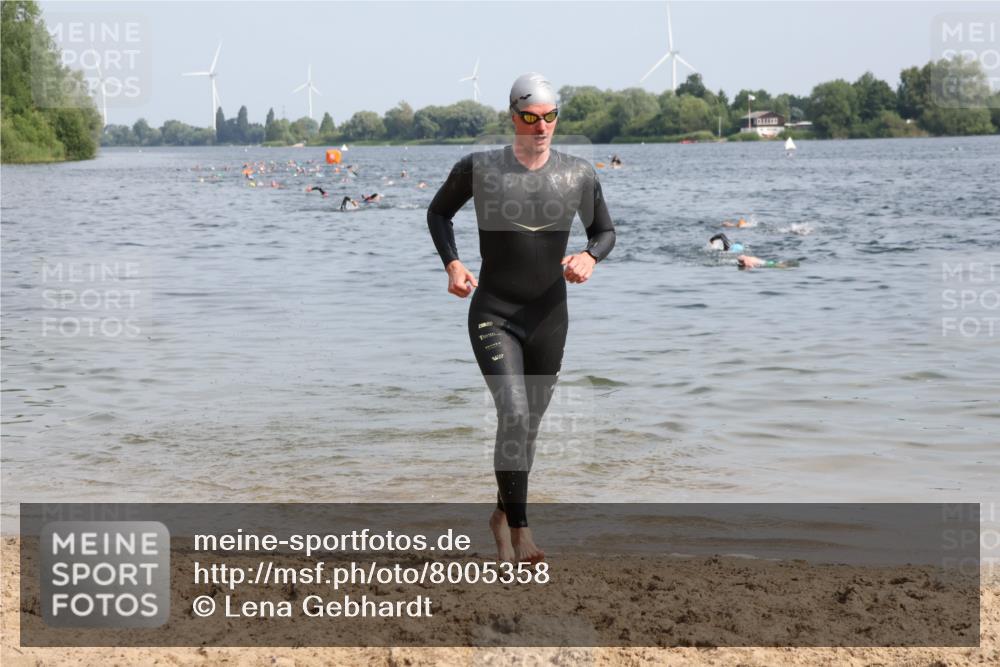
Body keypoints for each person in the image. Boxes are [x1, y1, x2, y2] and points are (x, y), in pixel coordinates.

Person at [427, 72, 616, 564]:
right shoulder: (480, 169)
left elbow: (605, 232)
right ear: (513, 117)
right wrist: (452, 263)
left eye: (550, 117)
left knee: (526, 427)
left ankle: (500, 514)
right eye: (530, 117)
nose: (541, 127)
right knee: (513, 414)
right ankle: (521, 533)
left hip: (549, 316)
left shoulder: (578, 174)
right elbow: (439, 213)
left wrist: (590, 257)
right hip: (495, 312)